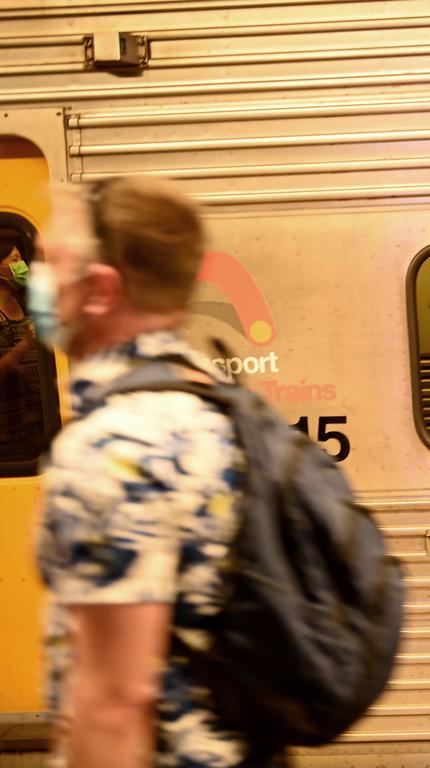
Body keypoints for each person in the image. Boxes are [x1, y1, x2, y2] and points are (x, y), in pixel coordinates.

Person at [33, 177, 283, 767]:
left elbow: (117, 699)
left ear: (99, 289)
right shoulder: (214, 399)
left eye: (50, 263)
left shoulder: (114, 449)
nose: (36, 281)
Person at [0, 242, 46, 463]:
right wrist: (26, 344)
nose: (23, 266)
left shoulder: (23, 302)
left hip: (33, 420)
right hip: (6, 428)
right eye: (15, 260)